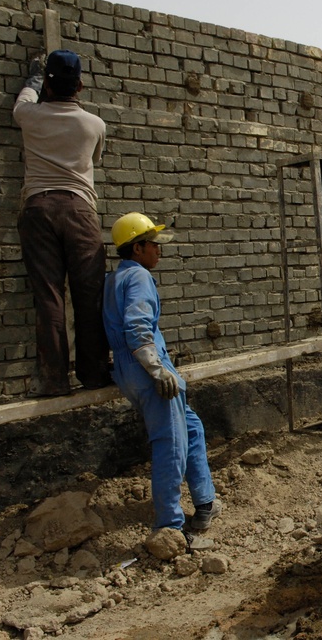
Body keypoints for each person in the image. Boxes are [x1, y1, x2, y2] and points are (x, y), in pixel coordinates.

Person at [102, 213, 222, 548]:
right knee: (170, 445)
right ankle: (169, 526)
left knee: (192, 428)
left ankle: (205, 502)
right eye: (154, 245)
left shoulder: (115, 278)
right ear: (137, 247)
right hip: (147, 368)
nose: (159, 251)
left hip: (128, 369)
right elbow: (137, 327)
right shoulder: (139, 277)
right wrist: (157, 370)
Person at [13, 49, 111, 396]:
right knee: (90, 296)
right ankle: (94, 373)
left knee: (49, 295)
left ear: (48, 88)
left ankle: (55, 381)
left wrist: (36, 77)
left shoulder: (29, 114)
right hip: (80, 210)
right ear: (81, 86)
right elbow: (94, 158)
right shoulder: (94, 124)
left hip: (38, 209)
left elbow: (25, 96)